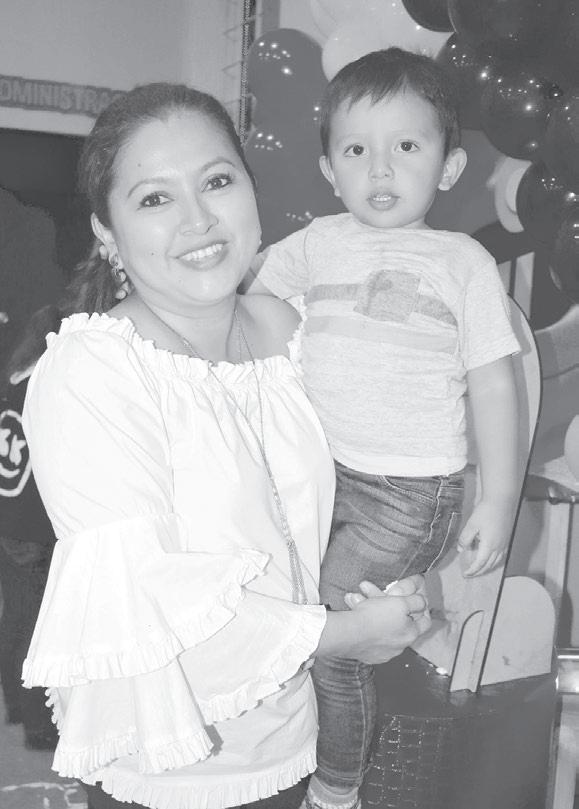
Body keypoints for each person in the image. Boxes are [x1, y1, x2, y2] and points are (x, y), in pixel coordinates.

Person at [20, 82, 431, 809]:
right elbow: (146, 599)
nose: (198, 219)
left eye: (216, 181)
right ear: (107, 232)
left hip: (300, 738)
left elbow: (365, 487)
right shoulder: (95, 369)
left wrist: (389, 577)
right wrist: (346, 634)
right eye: (155, 198)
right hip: (173, 765)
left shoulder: (299, 329)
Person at [245, 48, 520, 809]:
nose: (381, 169)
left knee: (333, 639)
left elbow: (493, 382)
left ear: (449, 165)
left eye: (406, 145)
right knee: (295, 614)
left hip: (407, 492)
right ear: (329, 170)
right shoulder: (316, 243)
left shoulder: (461, 261)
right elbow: (249, 299)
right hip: (318, 474)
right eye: (356, 150)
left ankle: (336, 790)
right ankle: (301, 751)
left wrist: (498, 498)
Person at [0, 306, 61, 751]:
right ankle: (40, 722)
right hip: (34, 523)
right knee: (38, 624)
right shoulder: (48, 382)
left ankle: (19, 706)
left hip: (9, 518)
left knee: (17, 616)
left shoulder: (12, 381)